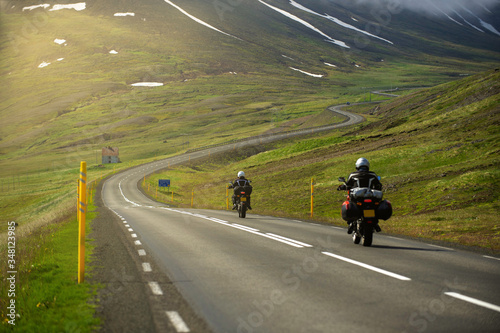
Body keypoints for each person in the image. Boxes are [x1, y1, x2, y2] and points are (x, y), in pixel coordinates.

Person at [338, 158, 382, 234]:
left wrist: (341, 187)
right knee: (375, 205)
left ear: (357, 166)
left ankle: (351, 223)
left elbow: (347, 185)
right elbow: (378, 185)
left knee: (351, 203)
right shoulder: (373, 175)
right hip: (370, 197)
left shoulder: (353, 175)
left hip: (358, 198)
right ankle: (375, 223)